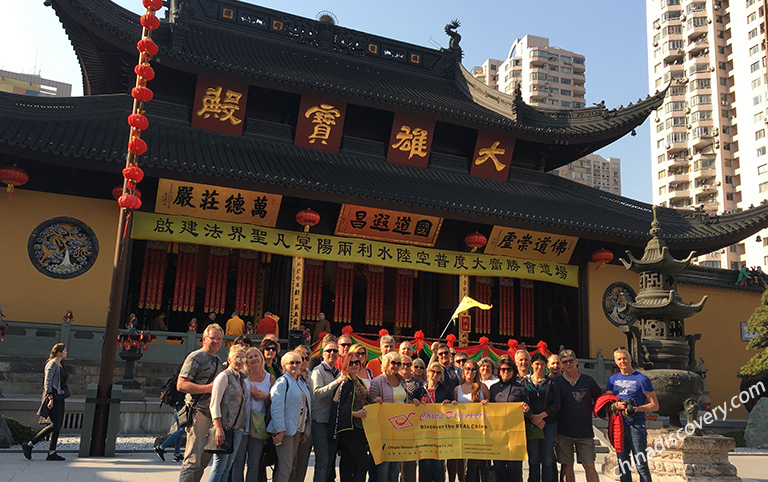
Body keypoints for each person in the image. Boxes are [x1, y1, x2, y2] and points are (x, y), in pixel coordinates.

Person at [177, 323, 224, 482]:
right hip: (198, 411)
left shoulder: (218, 360)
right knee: (192, 461)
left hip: (212, 415)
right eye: (213, 338)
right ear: (204, 339)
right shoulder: (195, 357)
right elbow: (181, 384)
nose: (216, 342)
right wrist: (208, 388)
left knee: (204, 461)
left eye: (219, 339)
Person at [606, 348, 659, 482]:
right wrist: (615, 406)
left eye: (624, 358)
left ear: (630, 359)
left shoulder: (642, 379)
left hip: (636, 427)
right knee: (623, 465)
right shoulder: (612, 380)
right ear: (615, 362)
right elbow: (607, 402)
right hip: (619, 427)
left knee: (641, 465)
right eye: (619, 359)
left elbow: (655, 405)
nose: (622, 361)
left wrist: (637, 409)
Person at [553, 349, 602, 482]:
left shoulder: (588, 380)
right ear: (561, 365)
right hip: (563, 432)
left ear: (576, 362)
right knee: (567, 465)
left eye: (570, 361)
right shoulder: (556, 382)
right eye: (564, 362)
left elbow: (600, 399)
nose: (568, 364)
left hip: (585, 431)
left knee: (589, 465)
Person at [268, 351, 312, 482]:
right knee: (285, 468)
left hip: (297, 431)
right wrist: (280, 431)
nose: (294, 365)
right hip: (285, 432)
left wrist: (305, 431)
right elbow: (276, 408)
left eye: (297, 362)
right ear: (284, 365)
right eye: (291, 362)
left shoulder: (302, 382)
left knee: (291, 467)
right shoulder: (282, 382)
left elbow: (306, 408)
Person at [232, 347, 273, 482]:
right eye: (250, 357)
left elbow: (274, 402)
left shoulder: (269, 378)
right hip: (241, 424)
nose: (254, 359)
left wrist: (265, 396)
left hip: (259, 426)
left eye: (256, 356)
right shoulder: (241, 376)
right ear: (246, 362)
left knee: (254, 464)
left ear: (261, 359)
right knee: (238, 464)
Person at [208, 345, 248, 482]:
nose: (240, 361)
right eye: (236, 357)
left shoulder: (242, 378)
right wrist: (218, 428)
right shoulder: (224, 376)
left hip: (237, 429)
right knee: (219, 465)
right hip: (224, 427)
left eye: (243, 358)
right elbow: (214, 404)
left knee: (228, 466)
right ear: (229, 359)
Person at [23, 343, 70, 461]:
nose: (66, 352)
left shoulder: (60, 364)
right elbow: (47, 381)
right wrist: (50, 397)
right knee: (54, 424)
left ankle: (52, 452)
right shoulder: (52, 363)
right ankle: (29, 444)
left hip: (60, 396)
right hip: (53, 396)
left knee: (58, 425)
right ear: (59, 352)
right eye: (64, 350)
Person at [414, 361, 456, 482]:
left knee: (438, 465)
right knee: (425, 464)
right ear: (427, 373)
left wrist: (450, 404)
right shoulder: (419, 391)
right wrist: (415, 403)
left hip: (439, 434)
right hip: (423, 434)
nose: (435, 374)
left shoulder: (446, 390)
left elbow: (453, 407)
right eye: (433, 371)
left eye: (438, 372)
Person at [369, 352, 408, 482]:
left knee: (396, 465)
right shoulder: (377, 381)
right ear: (386, 364)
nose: (396, 366)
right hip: (384, 430)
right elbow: (370, 403)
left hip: (400, 430)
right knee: (384, 465)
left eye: (398, 363)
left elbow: (405, 400)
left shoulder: (402, 381)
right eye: (393, 363)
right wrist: (375, 400)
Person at [489, 358, 530, 482]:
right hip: (497, 433)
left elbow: (530, 411)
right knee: (499, 467)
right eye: (503, 369)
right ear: (499, 372)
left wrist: (527, 409)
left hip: (515, 434)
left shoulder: (521, 388)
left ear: (513, 371)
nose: (506, 372)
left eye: (509, 369)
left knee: (514, 468)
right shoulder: (494, 388)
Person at [311, 339, 346, 482]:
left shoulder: (337, 371)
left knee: (330, 460)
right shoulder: (318, 371)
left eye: (335, 351)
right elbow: (316, 393)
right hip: (320, 421)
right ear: (322, 353)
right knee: (323, 460)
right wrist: (336, 383)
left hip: (333, 422)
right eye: (328, 351)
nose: (332, 353)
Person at [331, 352, 370, 482]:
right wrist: (355, 414)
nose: (354, 365)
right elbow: (337, 405)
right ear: (346, 364)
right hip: (349, 428)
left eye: (356, 362)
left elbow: (364, 400)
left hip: (361, 427)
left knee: (349, 462)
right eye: (351, 363)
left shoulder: (359, 381)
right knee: (363, 463)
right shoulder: (345, 382)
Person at [523, 353, 561, 482]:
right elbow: (521, 402)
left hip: (549, 423)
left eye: (542, 364)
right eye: (537, 364)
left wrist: (541, 416)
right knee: (533, 458)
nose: (539, 367)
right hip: (531, 423)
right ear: (531, 365)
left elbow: (557, 403)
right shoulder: (524, 382)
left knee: (548, 457)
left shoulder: (551, 382)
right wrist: (532, 417)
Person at [456, 359, 490, 482]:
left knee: (476, 464)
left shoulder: (483, 387)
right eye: (468, 369)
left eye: (473, 369)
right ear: (463, 371)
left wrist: (487, 402)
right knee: (463, 464)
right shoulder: (457, 389)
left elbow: (492, 407)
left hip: (479, 431)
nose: (470, 371)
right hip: (463, 431)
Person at [291, 346, 314, 482]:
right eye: (302, 359)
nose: (305, 361)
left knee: (302, 464)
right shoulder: (289, 379)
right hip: (292, 427)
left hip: (306, 425)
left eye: (307, 358)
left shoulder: (310, 375)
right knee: (290, 466)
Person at [399, 355, 422, 482]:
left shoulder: (417, 382)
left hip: (412, 424)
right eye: (403, 364)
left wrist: (417, 401)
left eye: (408, 364)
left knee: (409, 461)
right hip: (394, 423)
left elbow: (422, 399)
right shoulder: (393, 380)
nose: (406, 367)